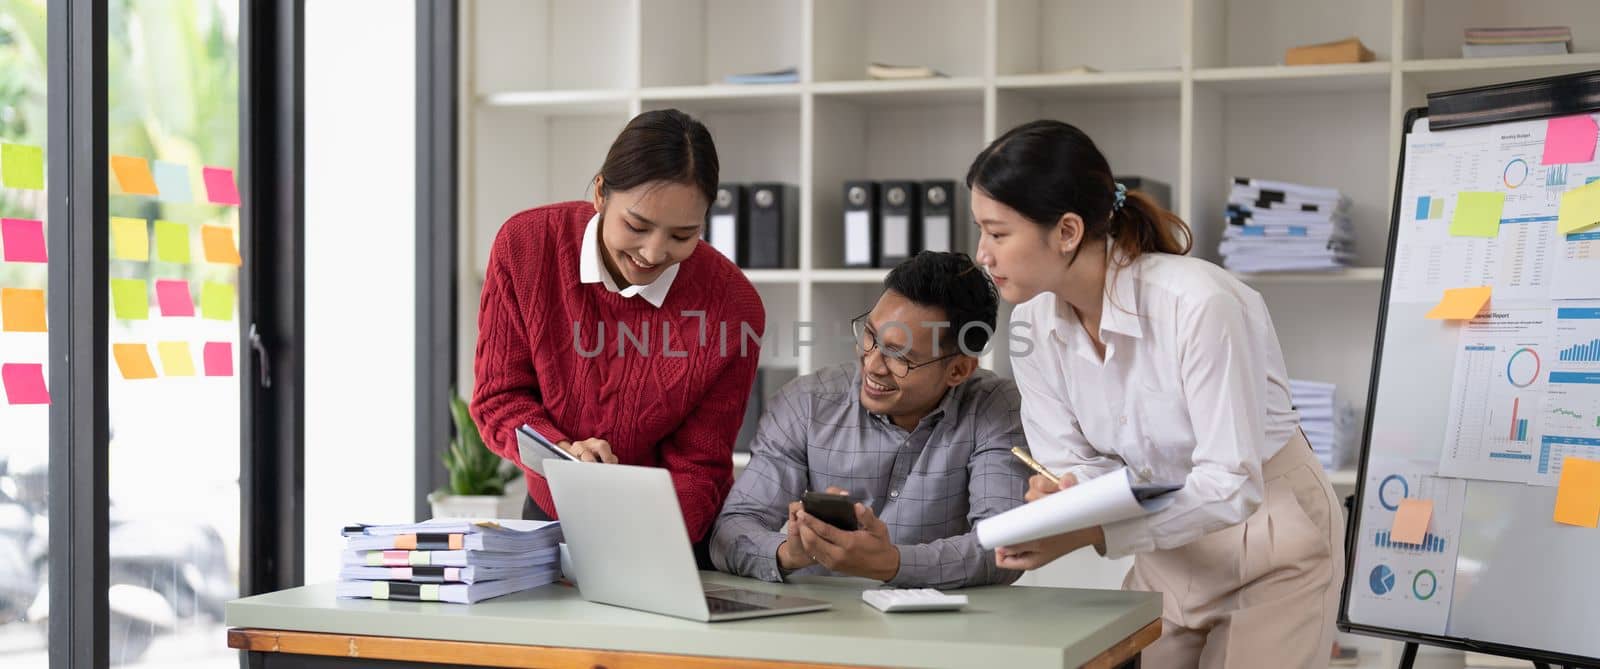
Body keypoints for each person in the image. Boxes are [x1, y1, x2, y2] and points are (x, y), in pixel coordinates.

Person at [968, 120, 1344, 668]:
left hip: (1269, 540)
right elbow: (1073, 460)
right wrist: (1066, 497)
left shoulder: (1199, 304)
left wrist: (1088, 530)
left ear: (1068, 231)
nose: (982, 253)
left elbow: (1231, 484)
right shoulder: (1032, 327)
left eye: (998, 234)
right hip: (1167, 550)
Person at [470, 109, 765, 564]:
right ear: (601, 192)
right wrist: (563, 454)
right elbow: (499, 399)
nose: (653, 252)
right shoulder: (526, 246)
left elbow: (699, 466)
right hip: (550, 521)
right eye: (637, 226)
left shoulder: (731, 305)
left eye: (683, 235)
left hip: (665, 535)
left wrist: (642, 545)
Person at [711, 251, 1031, 589]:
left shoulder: (995, 408)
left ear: (958, 370)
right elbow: (731, 531)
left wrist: (890, 564)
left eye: (901, 356)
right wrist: (789, 553)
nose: (873, 365)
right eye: (870, 336)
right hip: (816, 623)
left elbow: (1005, 546)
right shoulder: (806, 404)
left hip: (943, 631)